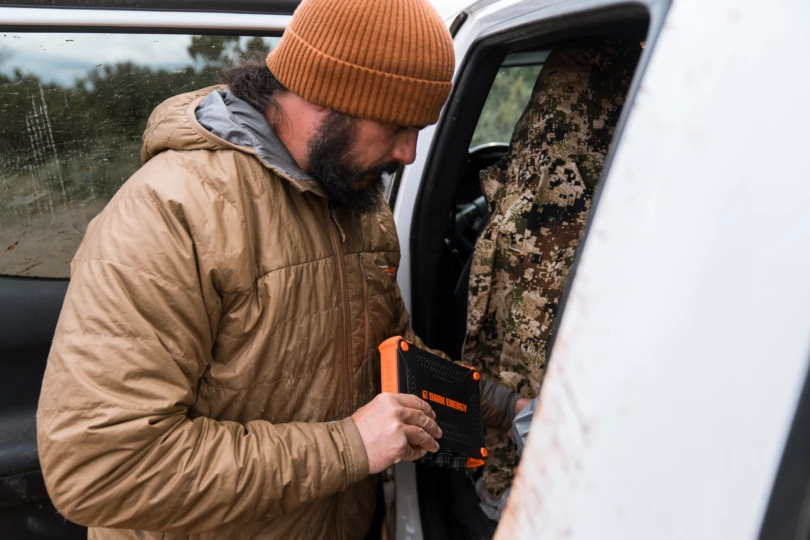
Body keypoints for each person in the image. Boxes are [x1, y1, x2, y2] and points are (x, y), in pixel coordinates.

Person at [36, 0, 524, 538]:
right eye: (396, 126)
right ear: (326, 94)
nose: (409, 153)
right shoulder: (170, 216)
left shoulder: (355, 203)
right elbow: (102, 470)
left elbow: (391, 352)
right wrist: (350, 448)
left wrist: (509, 407)